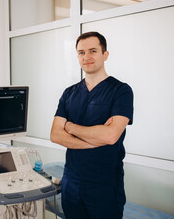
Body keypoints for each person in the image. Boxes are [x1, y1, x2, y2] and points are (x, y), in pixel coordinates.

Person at [50, 31, 134, 219]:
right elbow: (55, 135)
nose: (86, 57)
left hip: (104, 184)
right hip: (71, 182)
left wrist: (70, 127)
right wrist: (93, 140)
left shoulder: (121, 91)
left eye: (93, 51)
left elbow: (110, 136)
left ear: (105, 55)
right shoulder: (69, 93)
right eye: (81, 52)